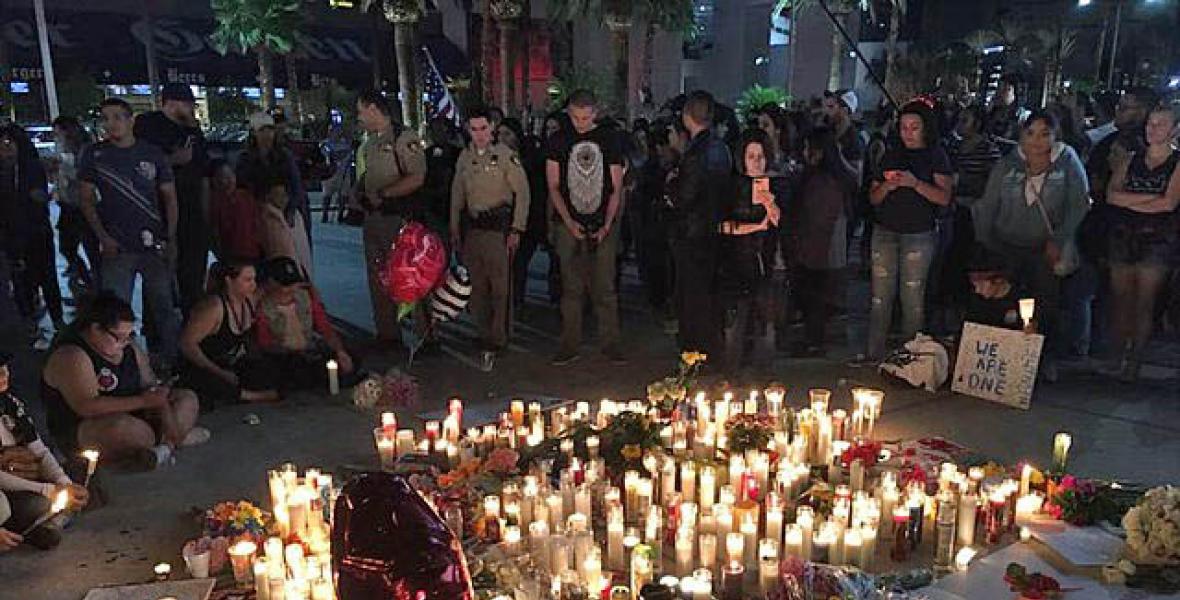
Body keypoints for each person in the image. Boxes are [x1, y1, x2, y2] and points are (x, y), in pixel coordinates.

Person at [973, 110, 1091, 381]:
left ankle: (1043, 358)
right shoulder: (1007, 165)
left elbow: (1078, 203)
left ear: (1054, 135)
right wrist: (986, 244)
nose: (1037, 141)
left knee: (1044, 303)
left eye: (1045, 134)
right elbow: (989, 204)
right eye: (1031, 133)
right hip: (1007, 244)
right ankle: (1006, 361)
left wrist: (1059, 239)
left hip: (1044, 247)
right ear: (1021, 135)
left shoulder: (1066, 162)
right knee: (1005, 300)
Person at [41, 293, 205, 469]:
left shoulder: (129, 347)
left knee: (187, 399)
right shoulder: (72, 355)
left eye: (129, 336)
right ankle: (167, 443)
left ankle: (165, 445)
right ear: (96, 329)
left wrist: (159, 400)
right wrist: (143, 401)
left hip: (138, 413)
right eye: (118, 337)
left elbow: (149, 384)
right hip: (87, 426)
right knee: (124, 429)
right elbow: (87, 406)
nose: (124, 342)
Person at [77, 98, 180, 365]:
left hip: (152, 243)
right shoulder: (95, 155)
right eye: (106, 118)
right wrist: (102, 237)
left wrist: (170, 236)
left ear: (130, 120)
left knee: (163, 305)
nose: (111, 124)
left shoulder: (151, 153)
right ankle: (122, 365)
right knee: (116, 312)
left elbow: (170, 197)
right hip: (117, 245)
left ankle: (173, 360)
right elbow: (85, 199)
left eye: (117, 117)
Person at [866, 100, 953, 360]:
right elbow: (873, 196)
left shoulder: (936, 155)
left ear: (925, 128)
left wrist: (915, 184)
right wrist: (888, 187)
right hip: (886, 231)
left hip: (919, 234)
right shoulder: (891, 153)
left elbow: (944, 197)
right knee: (880, 297)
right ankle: (874, 353)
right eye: (904, 127)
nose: (908, 133)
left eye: (914, 127)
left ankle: (911, 357)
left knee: (912, 296)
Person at [544, 90, 626, 365]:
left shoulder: (609, 140)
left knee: (604, 285)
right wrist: (568, 221)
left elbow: (616, 187)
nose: (580, 123)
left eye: (585, 117)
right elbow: (553, 186)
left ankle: (611, 343)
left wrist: (606, 224)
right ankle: (569, 344)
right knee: (571, 286)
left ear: (594, 114)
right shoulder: (558, 141)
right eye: (575, 117)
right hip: (568, 222)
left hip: (603, 221)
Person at [1104, 103, 1180, 381]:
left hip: (1157, 240)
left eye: (1161, 124)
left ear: (1174, 130)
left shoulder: (1177, 164)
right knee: (1121, 298)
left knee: (1144, 301)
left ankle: (1134, 359)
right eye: (1151, 122)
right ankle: (1117, 353)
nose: (1153, 128)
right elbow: (1112, 195)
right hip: (1125, 235)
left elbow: (1169, 203)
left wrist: (1131, 201)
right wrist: (1149, 201)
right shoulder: (1131, 159)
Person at [450, 109, 530, 371]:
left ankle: (499, 336)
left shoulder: (506, 157)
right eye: (474, 129)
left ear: (492, 128)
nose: (480, 134)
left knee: (500, 287)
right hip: (474, 229)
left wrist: (517, 229)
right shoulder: (464, 158)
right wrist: (454, 229)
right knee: (477, 287)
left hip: (498, 228)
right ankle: (482, 333)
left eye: (484, 128)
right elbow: (457, 196)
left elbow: (523, 194)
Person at [353, 91, 427, 344]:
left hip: (397, 217)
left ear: (373, 108)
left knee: (407, 275)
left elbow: (416, 177)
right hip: (374, 218)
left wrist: (385, 194)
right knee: (378, 276)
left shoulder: (403, 138)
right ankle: (387, 334)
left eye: (361, 111)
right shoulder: (371, 143)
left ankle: (424, 335)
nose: (359, 117)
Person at [0, 351, 89, 550]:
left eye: (4, 369)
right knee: (31, 505)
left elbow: (39, 449)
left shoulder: (10, 404)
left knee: (82, 471)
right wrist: (49, 491)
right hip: (8, 487)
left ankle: (49, 523)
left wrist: (64, 483)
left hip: (26, 475)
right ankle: (43, 523)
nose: (3, 375)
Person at [134, 83, 210, 315]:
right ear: (173, 103)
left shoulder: (192, 131)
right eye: (187, 105)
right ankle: (156, 329)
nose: (190, 110)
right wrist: (172, 159)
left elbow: (203, 168)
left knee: (192, 270)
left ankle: (191, 317)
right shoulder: (149, 125)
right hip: (159, 209)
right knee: (159, 272)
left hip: (191, 208)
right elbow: (141, 163)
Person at [670, 91, 734, 360]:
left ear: (687, 117)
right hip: (715, 231)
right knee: (709, 295)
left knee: (692, 296)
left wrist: (672, 183)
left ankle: (694, 352)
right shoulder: (721, 148)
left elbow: (684, 196)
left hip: (694, 232)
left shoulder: (696, 154)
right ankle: (709, 349)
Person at [788, 127, 856, 356]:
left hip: (818, 248)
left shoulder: (824, 181)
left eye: (808, 148)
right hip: (821, 248)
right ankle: (813, 340)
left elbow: (820, 219)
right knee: (816, 298)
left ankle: (814, 342)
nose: (805, 153)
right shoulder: (832, 177)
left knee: (815, 298)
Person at [718, 130, 781, 370]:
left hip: (764, 263)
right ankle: (732, 371)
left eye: (761, 156)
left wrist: (769, 202)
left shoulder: (776, 185)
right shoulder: (731, 187)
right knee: (735, 323)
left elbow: (781, 222)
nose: (756, 161)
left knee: (765, 323)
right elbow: (721, 225)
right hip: (734, 263)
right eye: (751, 156)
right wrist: (752, 227)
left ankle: (764, 375)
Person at [178, 261, 278, 407]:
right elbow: (186, 344)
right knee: (210, 382)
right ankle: (249, 396)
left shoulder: (249, 300)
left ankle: (246, 393)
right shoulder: (214, 307)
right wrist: (219, 371)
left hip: (231, 362)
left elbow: (271, 287)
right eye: (247, 280)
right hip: (204, 365)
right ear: (229, 281)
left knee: (268, 368)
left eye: (254, 279)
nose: (253, 284)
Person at [252, 257, 358, 392]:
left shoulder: (305, 297)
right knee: (292, 370)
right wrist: (290, 351)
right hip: (284, 357)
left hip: (309, 350)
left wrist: (340, 351)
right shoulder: (263, 307)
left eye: (294, 284)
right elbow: (264, 342)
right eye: (286, 285)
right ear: (272, 283)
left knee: (347, 356)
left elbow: (324, 327)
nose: (291, 289)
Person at [0, 124, 64, 343]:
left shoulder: (30, 167)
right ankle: (30, 319)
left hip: (36, 231)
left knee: (47, 276)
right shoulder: (5, 170)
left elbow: (39, 198)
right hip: (12, 233)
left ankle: (56, 319)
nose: (4, 149)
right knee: (21, 279)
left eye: (8, 144)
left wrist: (39, 198)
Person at [237, 112, 312, 278]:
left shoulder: (284, 157)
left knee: (297, 258)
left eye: (270, 130)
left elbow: (295, 185)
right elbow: (243, 187)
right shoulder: (245, 159)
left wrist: (290, 208)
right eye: (262, 130)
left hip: (287, 215)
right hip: (260, 215)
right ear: (254, 132)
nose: (267, 135)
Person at [52, 116, 99, 291]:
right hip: (68, 204)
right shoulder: (65, 149)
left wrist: (64, 166)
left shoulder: (84, 149)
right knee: (68, 247)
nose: (57, 136)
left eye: (58, 132)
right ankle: (86, 282)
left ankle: (95, 288)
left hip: (82, 205)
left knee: (90, 249)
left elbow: (83, 176)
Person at [208, 159, 264, 264]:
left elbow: (257, 223)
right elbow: (215, 232)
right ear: (215, 180)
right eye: (223, 177)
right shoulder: (215, 202)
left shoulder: (246, 196)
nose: (229, 180)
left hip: (254, 253)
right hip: (231, 256)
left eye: (231, 176)